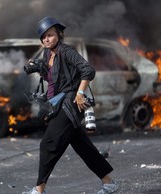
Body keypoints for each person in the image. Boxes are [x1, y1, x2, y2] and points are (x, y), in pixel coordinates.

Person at [22, 16, 120, 194]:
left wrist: (80, 92)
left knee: (48, 144)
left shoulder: (66, 51)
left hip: (69, 104)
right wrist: (38, 68)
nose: (46, 39)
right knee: (83, 147)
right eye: (43, 37)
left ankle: (38, 190)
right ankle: (109, 183)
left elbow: (88, 70)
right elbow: (54, 78)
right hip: (57, 104)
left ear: (59, 35)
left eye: (50, 35)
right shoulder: (47, 54)